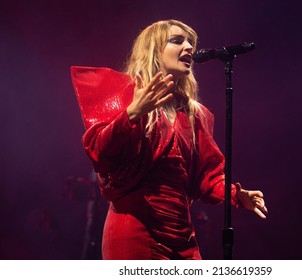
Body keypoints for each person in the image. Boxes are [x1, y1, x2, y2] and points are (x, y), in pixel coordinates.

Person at [71, 19, 268, 260]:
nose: (189, 48)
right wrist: (132, 113)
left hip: (182, 237)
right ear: (154, 50)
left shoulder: (196, 114)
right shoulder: (124, 94)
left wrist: (235, 194)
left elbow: (207, 177)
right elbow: (100, 152)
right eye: (177, 41)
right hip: (135, 231)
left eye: (190, 43)